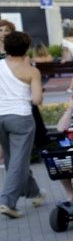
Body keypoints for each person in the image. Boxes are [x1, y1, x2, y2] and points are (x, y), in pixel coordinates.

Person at [0, 28, 43, 219]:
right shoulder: (31, 71)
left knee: (12, 159)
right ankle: (7, 202)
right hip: (21, 118)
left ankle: (34, 192)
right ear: (26, 50)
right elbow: (36, 99)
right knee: (19, 160)